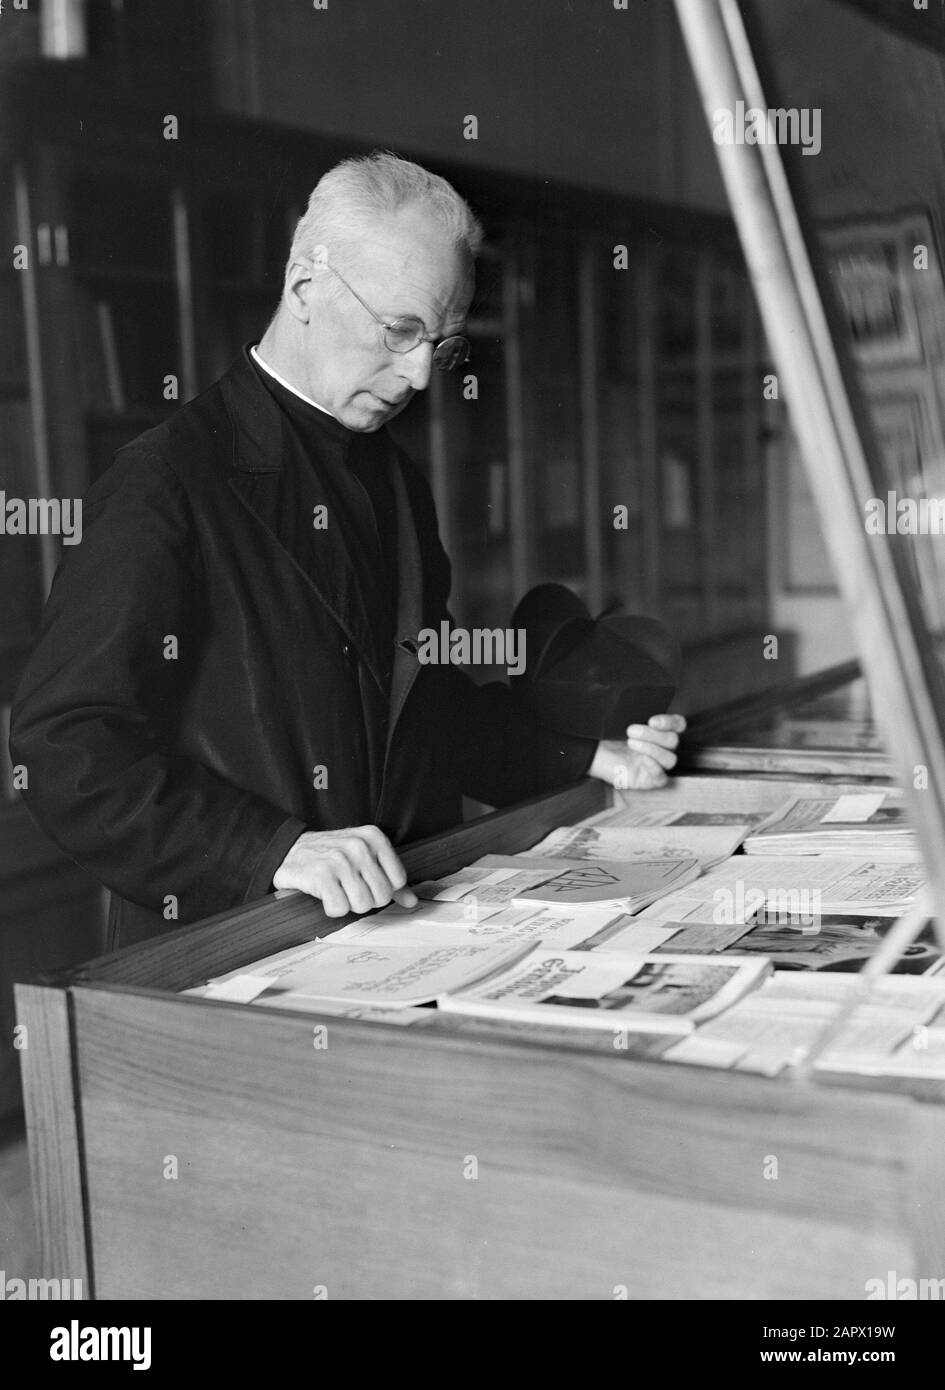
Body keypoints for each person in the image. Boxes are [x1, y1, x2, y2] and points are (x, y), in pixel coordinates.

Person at [10, 152, 685, 948]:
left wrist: (581, 757)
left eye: (440, 343)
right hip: (229, 945)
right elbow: (68, 745)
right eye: (400, 330)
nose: (420, 376)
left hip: (390, 936)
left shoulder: (394, 477)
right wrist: (271, 849)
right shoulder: (165, 479)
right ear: (304, 287)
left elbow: (419, 707)